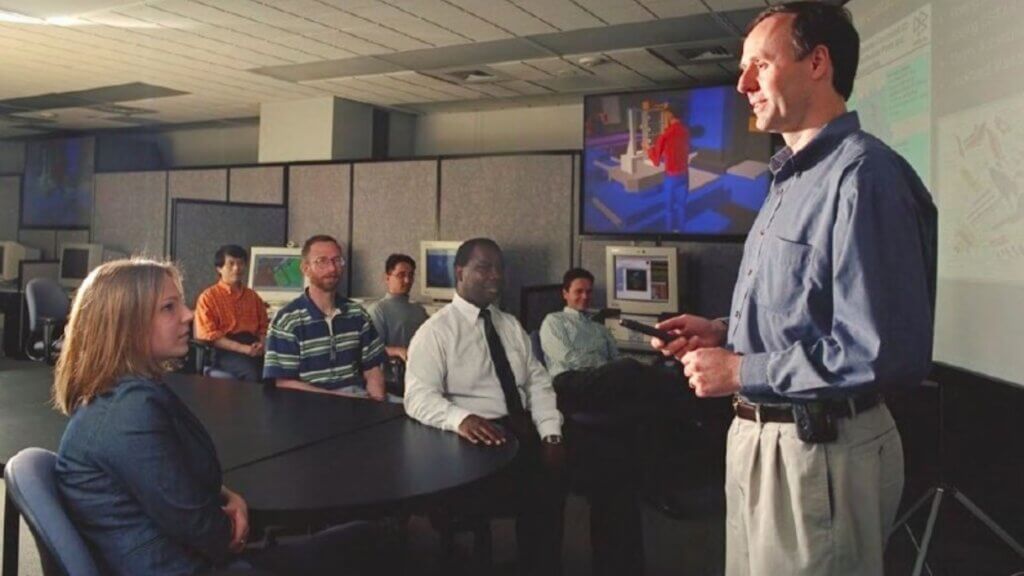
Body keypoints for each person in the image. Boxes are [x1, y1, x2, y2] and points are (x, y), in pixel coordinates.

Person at [652, 3, 937, 576]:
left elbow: (877, 349)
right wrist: (725, 333)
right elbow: (809, 311)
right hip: (766, 443)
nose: (742, 83)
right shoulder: (790, 179)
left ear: (818, 64)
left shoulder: (863, 177)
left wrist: (739, 371)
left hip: (819, 452)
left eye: (760, 63)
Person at [53, 259, 377, 576]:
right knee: (370, 546)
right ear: (126, 324)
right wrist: (230, 525)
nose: (188, 315)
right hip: (189, 566)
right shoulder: (129, 412)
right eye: (169, 308)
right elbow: (203, 530)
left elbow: (169, 480)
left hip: (182, 557)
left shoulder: (120, 397)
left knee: (358, 538)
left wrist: (226, 495)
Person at [404, 238, 566, 576]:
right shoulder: (435, 332)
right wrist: (461, 419)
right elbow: (418, 397)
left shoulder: (510, 326)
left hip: (521, 430)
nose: (495, 277)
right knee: (508, 500)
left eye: (499, 269)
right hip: (473, 441)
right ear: (459, 273)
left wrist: (551, 432)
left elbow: (537, 382)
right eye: (484, 268)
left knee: (551, 493)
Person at [263, 235, 388, 401]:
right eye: (322, 261)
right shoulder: (287, 320)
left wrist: (377, 403)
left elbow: (373, 370)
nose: (332, 268)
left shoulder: (358, 315)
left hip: (358, 400)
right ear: (305, 268)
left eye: (337, 260)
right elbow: (284, 383)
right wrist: (338, 398)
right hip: (309, 405)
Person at [194, 245, 269, 381]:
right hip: (225, 350)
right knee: (252, 373)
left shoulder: (253, 297)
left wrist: (262, 343)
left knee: (276, 371)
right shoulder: (208, 298)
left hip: (252, 345)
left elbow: (263, 327)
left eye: (240, 263)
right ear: (219, 268)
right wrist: (244, 349)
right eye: (231, 264)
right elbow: (210, 336)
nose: (236, 268)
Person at [367, 253, 429, 362]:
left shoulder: (419, 311)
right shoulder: (378, 310)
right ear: (387, 278)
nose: (407, 280)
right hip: (390, 376)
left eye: (410, 275)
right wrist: (397, 351)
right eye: (401, 275)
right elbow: (371, 349)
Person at [647, 102, 690, 231]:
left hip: (671, 177)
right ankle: (681, 232)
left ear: (670, 114)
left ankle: (670, 233)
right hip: (684, 175)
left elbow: (655, 161)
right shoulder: (686, 131)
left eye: (665, 114)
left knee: (669, 209)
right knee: (682, 207)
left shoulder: (665, 135)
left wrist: (648, 149)